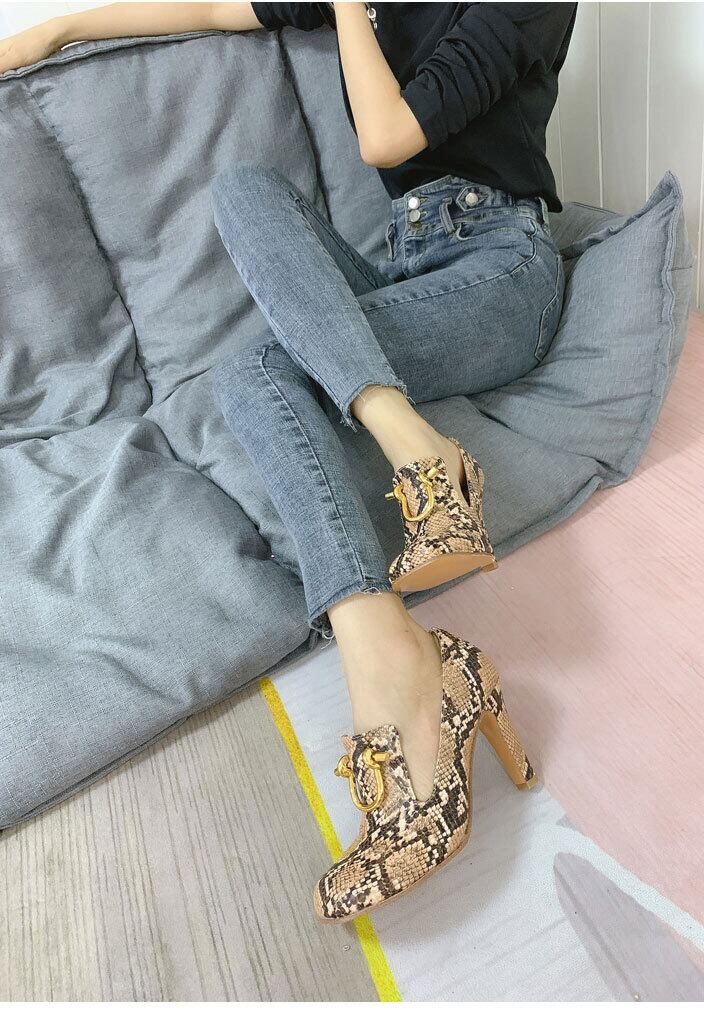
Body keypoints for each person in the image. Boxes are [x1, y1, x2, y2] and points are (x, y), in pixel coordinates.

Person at [0, 2, 577, 923]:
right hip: (404, 269)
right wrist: (52, 33)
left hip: (500, 271)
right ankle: (404, 589)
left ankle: (396, 651)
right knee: (243, 210)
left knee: (259, 369)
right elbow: (213, 5)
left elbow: (387, 137)